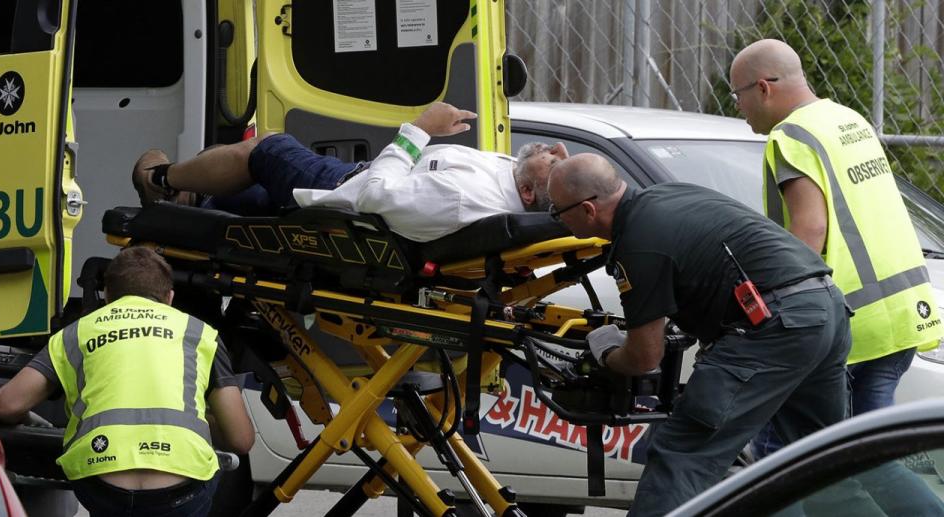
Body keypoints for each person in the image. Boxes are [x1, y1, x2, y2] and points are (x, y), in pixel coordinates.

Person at [547, 154, 852, 516]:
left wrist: (606, 352)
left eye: (557, 211)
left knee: (681, 454)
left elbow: (645, 357)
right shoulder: (669, 195)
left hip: (775, 326)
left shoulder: (639, 243)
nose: (556, 217)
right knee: (834, 459)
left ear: (587, 211)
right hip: (825, 307)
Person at [730, 39, 944, 450]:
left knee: (794, 457)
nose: (738, 105)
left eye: (738, 94)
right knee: (871, 454)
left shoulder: (790, 137)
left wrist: (770, 304)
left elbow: (810, 230)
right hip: (900, 313)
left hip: (849, 322)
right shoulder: (847, 120)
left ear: (763, 88)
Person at [0, 247, 254, 517]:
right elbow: (241, 439)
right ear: (170, 297)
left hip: (103, 483)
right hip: (180, 490)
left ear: (107, 295)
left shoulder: (77, 332)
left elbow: (6, 404)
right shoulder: (199, 333)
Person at [132, 102, 568, 242]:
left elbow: (374, 197)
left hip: (347, 190)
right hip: (361, 177)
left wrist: (419, 130)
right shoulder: (516, 182)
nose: (555, 148)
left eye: (556, 161)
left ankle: (161, 180)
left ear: (530, 193)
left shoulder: (464, 199)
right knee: (260, 199)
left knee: (267, 148)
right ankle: (193, 201)